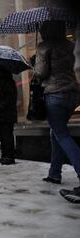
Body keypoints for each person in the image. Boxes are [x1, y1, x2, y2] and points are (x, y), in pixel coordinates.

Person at [32, 21, 80, 203]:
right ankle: (54, 173)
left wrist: (34, 65)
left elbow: (41, 73)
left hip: (55, 94)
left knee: (61, 134)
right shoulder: (71, 44)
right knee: (56, 133)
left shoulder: (45, 46)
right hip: (73, 94)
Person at [0, 65, 18, 165]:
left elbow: (10, 98)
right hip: (0, 114)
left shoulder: (8, 82)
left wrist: (0, 106)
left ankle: (9, 156)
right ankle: (4, 155)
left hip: (6, 114)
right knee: (2, 136)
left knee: (7, 135)